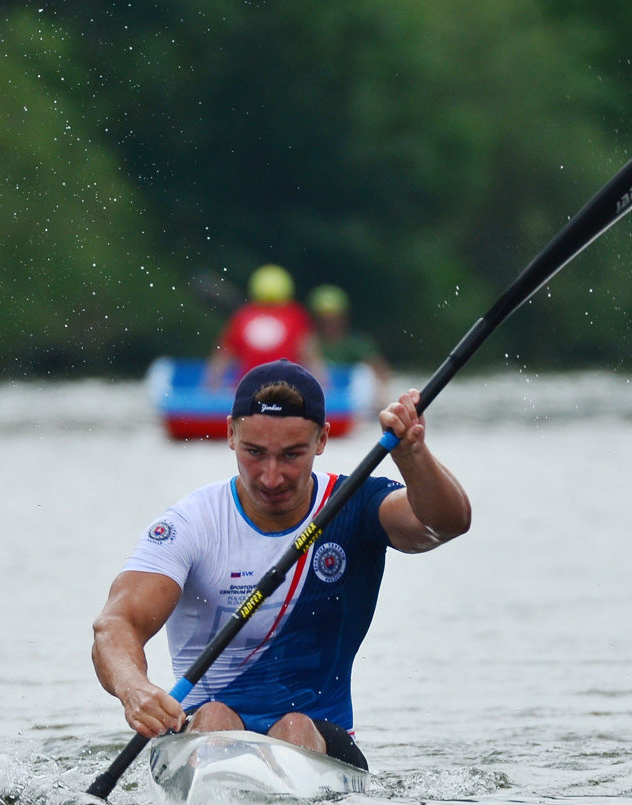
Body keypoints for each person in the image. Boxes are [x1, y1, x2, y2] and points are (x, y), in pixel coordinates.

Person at [91, 360, 471, 769]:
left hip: (320, 740)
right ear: (231, 435)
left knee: (294, 726)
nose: (271, 478)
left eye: (291, 455)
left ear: (322, 440)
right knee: (216, 717)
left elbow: (446, 523)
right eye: (255, 453)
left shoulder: (354, 505)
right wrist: (134, 688)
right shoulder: (193, 523)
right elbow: (115, 625)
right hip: (201, 737)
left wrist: (412, 454)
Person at [205, 265, 325, 386]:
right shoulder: (296, 316)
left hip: (248, 390)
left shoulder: (243, 316)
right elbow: (310, 356)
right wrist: (325, 388)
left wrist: (209, 389)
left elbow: (222, 358)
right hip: (288, 391)